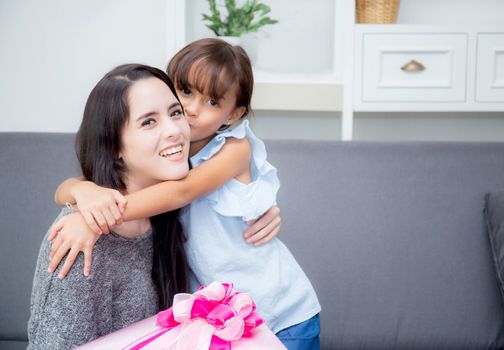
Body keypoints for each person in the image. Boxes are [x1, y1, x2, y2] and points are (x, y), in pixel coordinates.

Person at [50, 38, 321, 350]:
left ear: (233, 115)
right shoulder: (168, 152)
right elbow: (70, 185)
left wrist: (98, 217)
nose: (191, 110)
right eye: (187, 92)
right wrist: (83, 193)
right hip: (223, 318)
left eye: (212, 102)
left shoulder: (234, 149)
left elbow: (184, 191)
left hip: (283, 312)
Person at [28, 64, 192, 349]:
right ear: (114, 145)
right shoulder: (80, 241)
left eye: (175, 112)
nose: (174, 130)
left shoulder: (170, 208)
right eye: (148, 122)